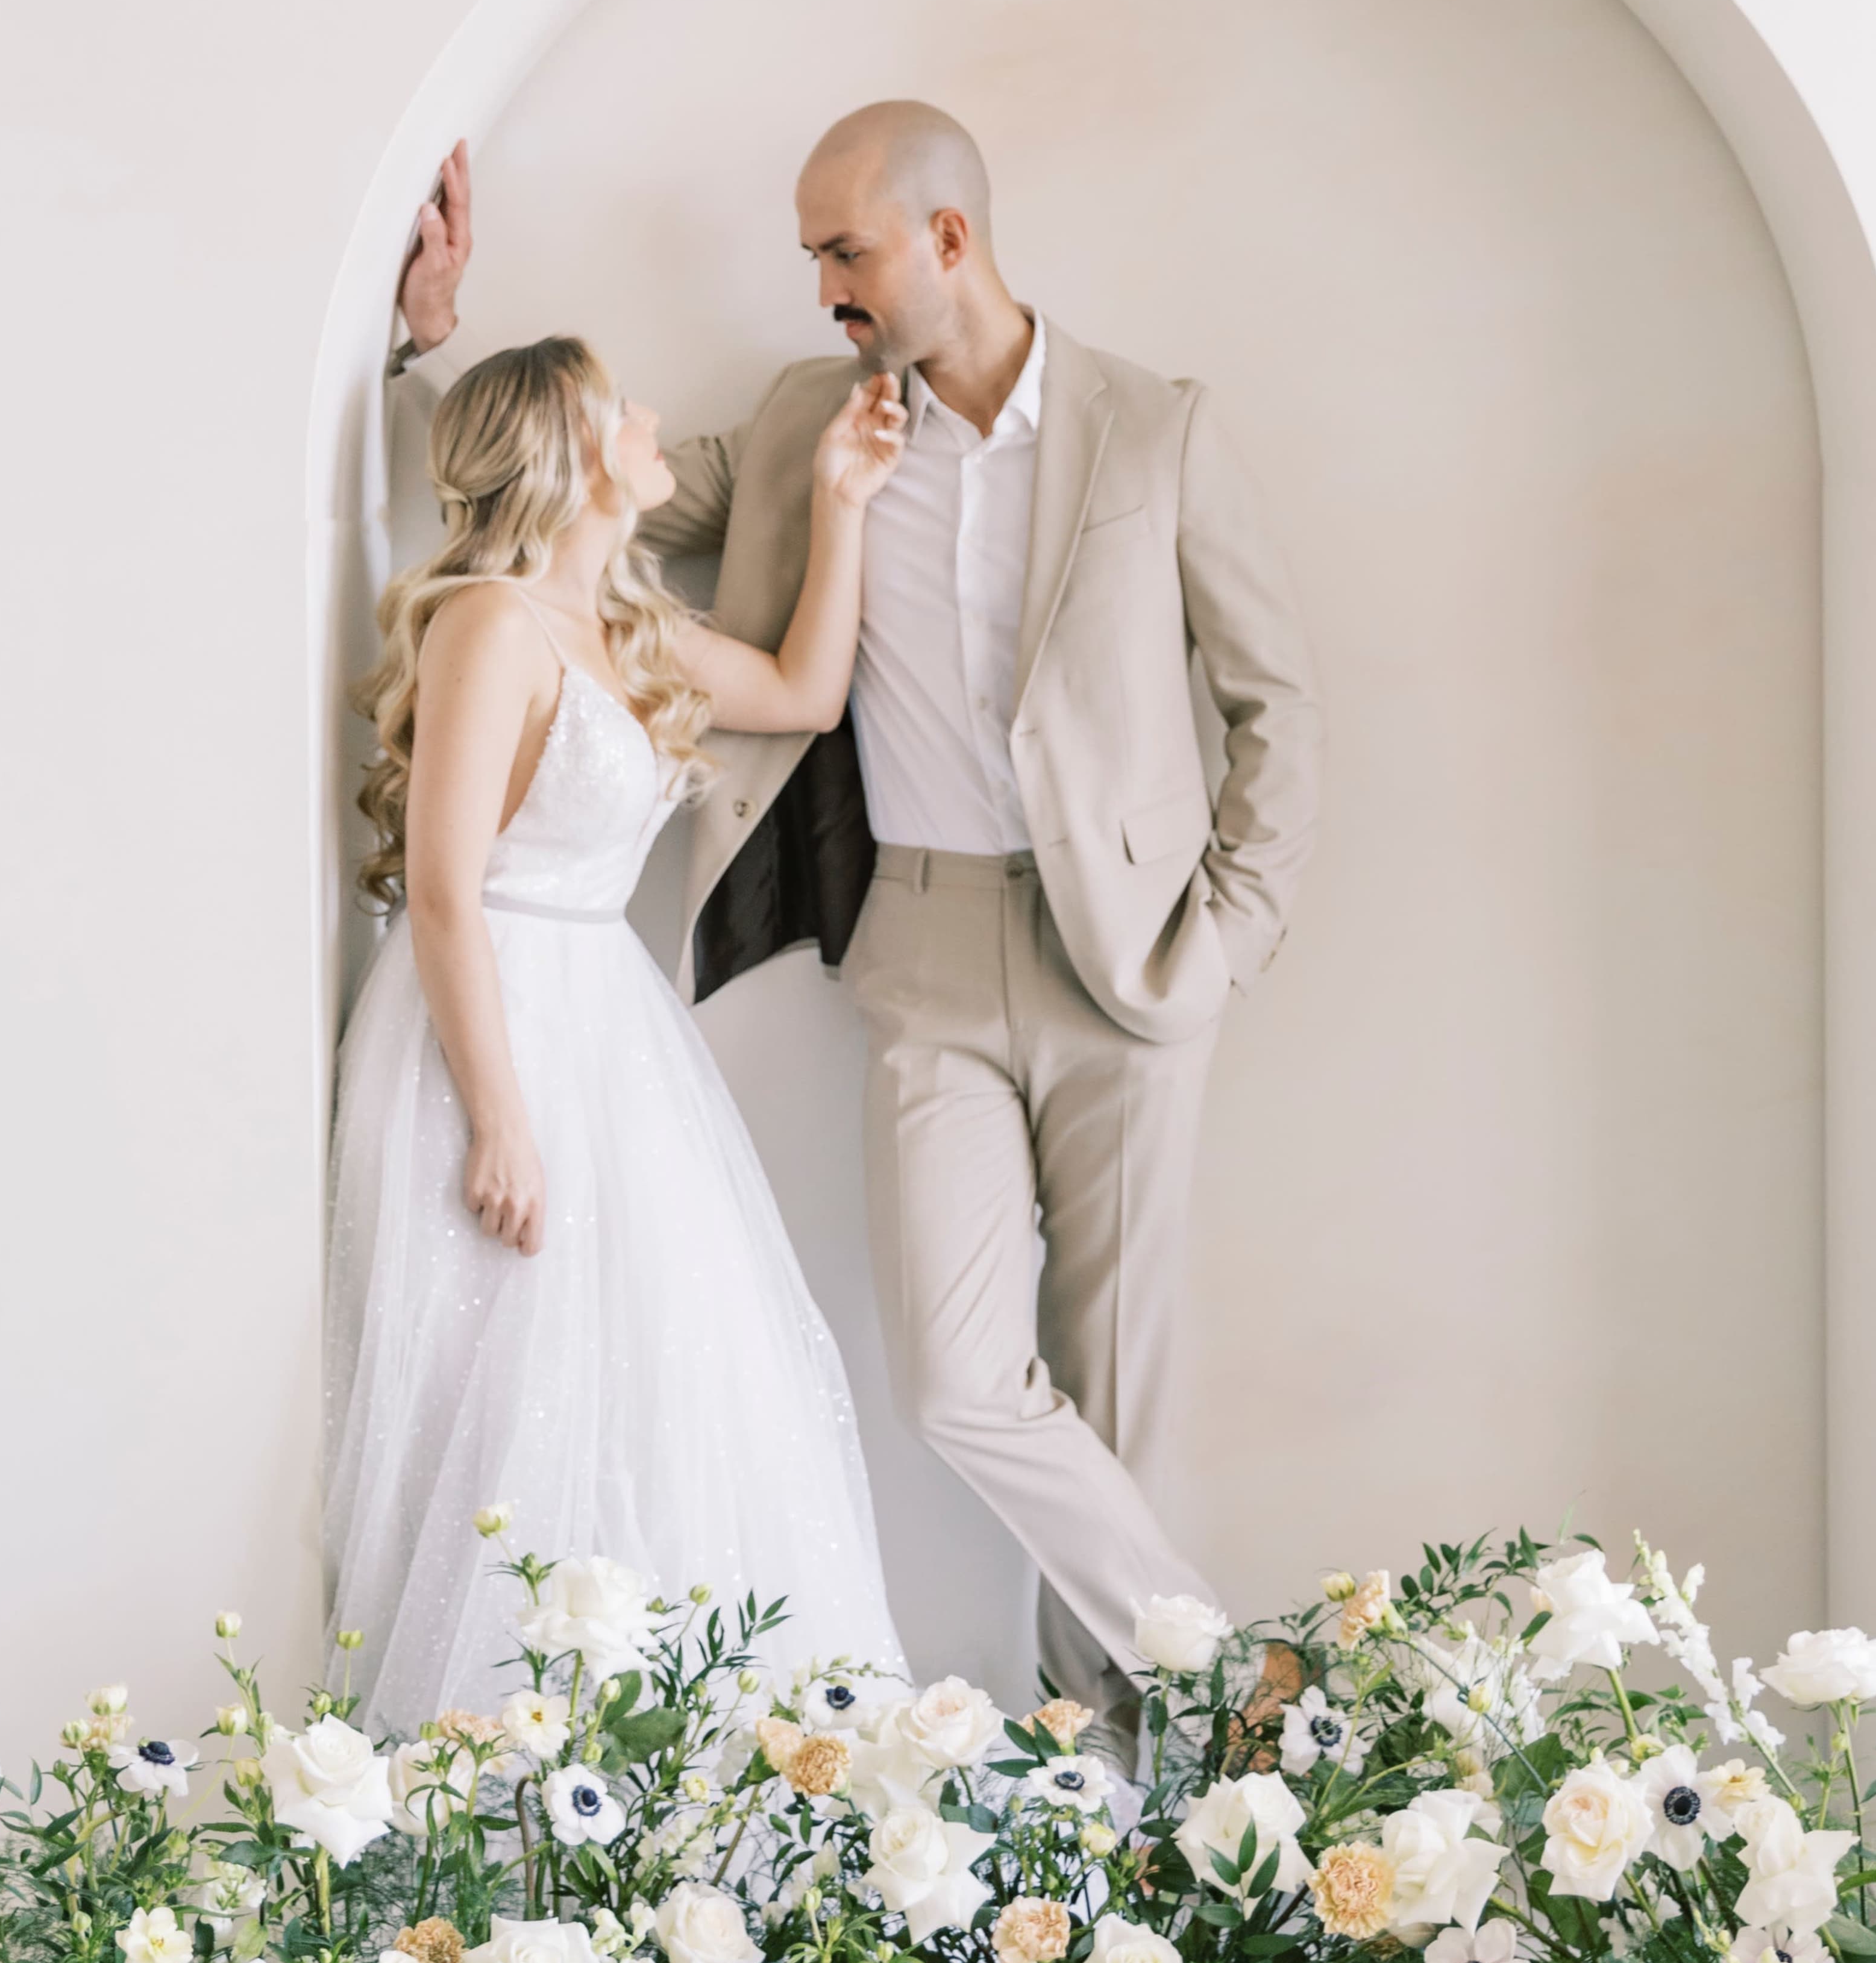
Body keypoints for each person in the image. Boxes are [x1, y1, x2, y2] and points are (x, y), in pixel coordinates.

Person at [398, 107, 1324, 1765]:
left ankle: (1123, 1752)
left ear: (947, 241)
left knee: (1114, 1392)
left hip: (1134, 965)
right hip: (921, 948)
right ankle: (1229, 1677)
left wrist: (1228, 942)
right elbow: (559, 521)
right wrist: (432, 358)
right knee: (963, 1383)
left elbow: (1278, 703)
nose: (823, 285)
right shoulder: (807, 420)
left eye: (845, 251)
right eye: (813, 257)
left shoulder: (1150, 431)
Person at [325, 326, 910, 1734]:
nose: (652, 419)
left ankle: (641, 1765)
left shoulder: (624, 630)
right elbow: (449, 886)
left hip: (610, 1034)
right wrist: (502, 1119)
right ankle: (488, 1762)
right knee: (509, 1401)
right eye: (622, 408)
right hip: (496, 1023)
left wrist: (843, 498)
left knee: (656, 1384)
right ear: (575, 450)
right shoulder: (489, 621)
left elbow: (805, 692)